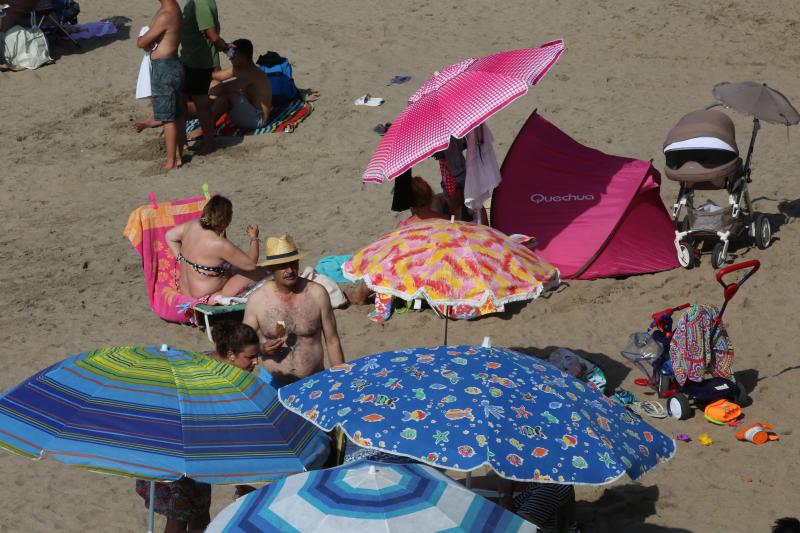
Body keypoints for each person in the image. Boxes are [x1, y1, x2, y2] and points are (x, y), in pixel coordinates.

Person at [134, 321, 260, 533]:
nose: (256, 362)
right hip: (175, 451)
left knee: (201, 512)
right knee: (179, 517)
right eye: (250, 357)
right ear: (231, 355)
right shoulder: (211, 377)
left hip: (197, 455)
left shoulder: (214, 365)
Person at [243, 234, 345, 388]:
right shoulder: (257, 300)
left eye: (293, 263)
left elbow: (332, 340)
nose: (290, 270)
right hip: (273, 384)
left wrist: (341, 378)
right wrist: (261, 349)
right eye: (283, 265)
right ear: (270, 268)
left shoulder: (317, 294)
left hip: (314, 381)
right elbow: (243, 343)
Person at [165, 195, 268, 302]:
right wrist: (254, 237)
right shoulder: (219, 244)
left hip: (184, 291)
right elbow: (251, 264)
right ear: (226, 220)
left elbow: (169, 236)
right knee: (260, 272)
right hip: (206, 297)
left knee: (230, 266)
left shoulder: (191, 225)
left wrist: (181, 259)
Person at [187, 38, 271, 139]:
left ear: (242, 56)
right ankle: (191, 109)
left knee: (227, 94)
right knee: (213, 83)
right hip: (246, 110)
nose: (229, 58)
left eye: (231, 54)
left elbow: (223, 89)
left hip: (257, 119)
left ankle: (204, 128)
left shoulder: (253, 74)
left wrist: (203, 97)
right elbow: (215, 76)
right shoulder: (238, 68)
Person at [137, 0, 185, 170]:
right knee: (178, 114)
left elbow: (142, 43)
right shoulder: (171, 7)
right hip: (172, 65)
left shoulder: (166, 13)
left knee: (168, 118)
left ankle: (170, 161)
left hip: (164, 68)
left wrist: (142, 39)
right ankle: (178, 156)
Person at [180, 0, 229, 155]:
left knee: (201, 104)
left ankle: (209, 143)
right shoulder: (199, 2)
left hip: (198, 62)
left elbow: (213, 37)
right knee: (183, 100)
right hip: (191, 59)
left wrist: (226, 48)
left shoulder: (201, 4)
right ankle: (183, 141)